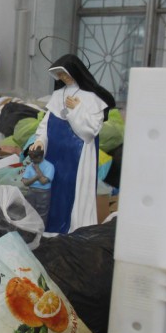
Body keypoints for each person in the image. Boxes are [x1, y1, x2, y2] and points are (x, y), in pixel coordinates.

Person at [29, 54, 116, 235]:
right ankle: (51, 229)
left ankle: (71, 229)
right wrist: (40, 140)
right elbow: (46, 123)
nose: (63, 77)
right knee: (52, 190)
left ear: (76, 71)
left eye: (65, 73)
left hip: (77, 155)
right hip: (54, 154)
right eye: (60, 74)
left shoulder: (91, 97)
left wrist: (76, 109)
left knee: (72, 192)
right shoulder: (57, 95)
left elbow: (89, 132)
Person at [21, 144, 55, 224]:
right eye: (31, 158)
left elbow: (43, 182)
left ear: (40, 157)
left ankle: (40, 228)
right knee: (29, 210)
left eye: (33, 158)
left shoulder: (49, 166)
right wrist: (36, 177)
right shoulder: (30, 166)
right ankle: (29, 227)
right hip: (31, 191)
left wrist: (37, 169)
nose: (32, 160)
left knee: (42, 212)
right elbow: (25, 182)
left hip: (43, 192)